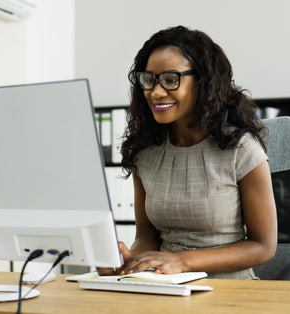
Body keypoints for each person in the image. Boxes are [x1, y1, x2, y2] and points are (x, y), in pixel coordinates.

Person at [105, 25, 277, 280]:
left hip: (231, 290)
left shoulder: (241, 149)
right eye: (149, 79)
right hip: (165, 285)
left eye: (171, 79)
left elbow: (263, 246)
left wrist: (182, 262)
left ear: (203, 82)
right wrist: (128, 261)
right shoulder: (145, 151)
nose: (156, 92)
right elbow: (146, 237)